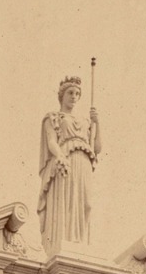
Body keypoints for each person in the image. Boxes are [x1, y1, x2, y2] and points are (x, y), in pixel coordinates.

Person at [37, 74, 101, 254]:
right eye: (70, 93)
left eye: (77, 94)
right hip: (65, 160)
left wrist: (97, 122)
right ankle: (65, 242)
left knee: (87, 204)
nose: (74, 96)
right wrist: (60, 156)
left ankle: (81, 244)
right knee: (67, 202)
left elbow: (97, 147)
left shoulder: (87, 121)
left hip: (84, 162)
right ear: (62, 95)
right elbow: (51, 142)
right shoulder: (53, 117)